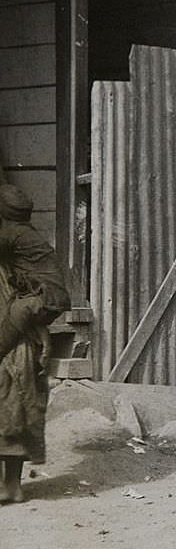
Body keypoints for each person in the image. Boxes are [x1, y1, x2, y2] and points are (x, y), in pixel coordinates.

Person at [0, 183, 70, 504]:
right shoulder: (26, 239)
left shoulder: (12, 237)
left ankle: (11, 486)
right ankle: (11, 485)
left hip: (33, 308)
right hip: (37, 309)